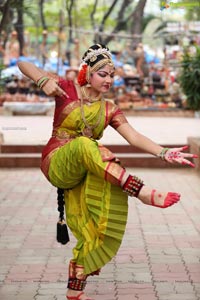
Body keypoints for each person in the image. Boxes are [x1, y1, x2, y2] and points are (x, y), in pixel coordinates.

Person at [18, 44, 197, 300]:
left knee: (92, 226)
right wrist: (42, 79)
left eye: (112, 75)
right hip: (57, 160)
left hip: (86, 168)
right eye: (103, 74)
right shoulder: (67, 89)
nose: (109, 80)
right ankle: (142, 191)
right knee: (83, 143)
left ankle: (74, 292)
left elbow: (133, 136)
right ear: (87, 73)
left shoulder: (109, 109)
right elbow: (26, 64)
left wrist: (163, 152)